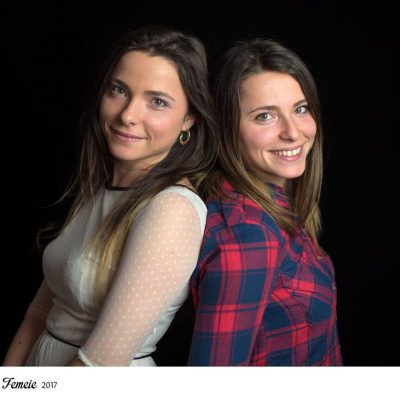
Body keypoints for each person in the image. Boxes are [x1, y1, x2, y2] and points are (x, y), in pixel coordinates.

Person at [3, 25, 217, 366]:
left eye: (157, 102)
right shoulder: (98, 189)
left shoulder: (172, 208)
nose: (127, 115)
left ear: (188, 118)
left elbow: (100, 365)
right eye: (119, 90)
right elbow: (41, 311)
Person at [188, 38, 342, 366]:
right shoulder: (246, 233)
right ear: (228, 127)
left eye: (300, 109)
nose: (293, 132)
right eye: (265, 116)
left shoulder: (275, 203)